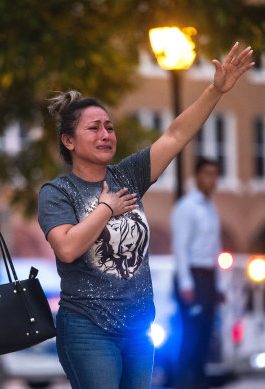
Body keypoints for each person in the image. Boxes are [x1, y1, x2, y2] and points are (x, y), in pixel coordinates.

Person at [37, 42, 253, 389]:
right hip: (88, 328)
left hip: (138, 328)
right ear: (69, 141)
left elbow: (176, 134)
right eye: (94, 128)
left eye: (109, 126)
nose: (106, 134)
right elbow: (66, 248)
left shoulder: (127, 175)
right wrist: (106, 209)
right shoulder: (57, 192)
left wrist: (215, 89)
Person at [172, 157, 222, 389]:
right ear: (197, 176)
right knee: (191, 338)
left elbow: (215, 248)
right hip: (192, 276)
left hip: (208, 277)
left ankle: (200, 384)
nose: (212, 179)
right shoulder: (187, 207)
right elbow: (180, 247)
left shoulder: (211, 207)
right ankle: (185, 384)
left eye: (215, 174)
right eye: (207, 174)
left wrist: (219, 286)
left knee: (206, 337)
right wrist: (186, 284)